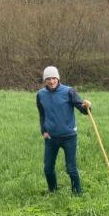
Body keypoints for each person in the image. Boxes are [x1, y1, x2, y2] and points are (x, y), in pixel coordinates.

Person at [36, 66, 91, 195]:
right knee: (48, 168)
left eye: (54, 78)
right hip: (51, 138)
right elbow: (42, 114)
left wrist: (87, 106)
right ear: (45, 80)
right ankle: (53, 191)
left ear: (58, 78)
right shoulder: (40, 95)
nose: (51, 81)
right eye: (48, 79)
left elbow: (82, 109)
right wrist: (44, 131)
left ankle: (77, 193)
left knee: (71, 169)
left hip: (69, 137)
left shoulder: (68, 91)